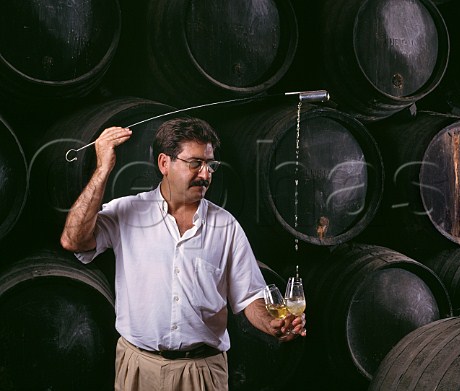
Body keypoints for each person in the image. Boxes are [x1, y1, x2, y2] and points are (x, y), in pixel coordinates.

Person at [60, 117, 306, 391]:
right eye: (195, 163)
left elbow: (250, 297)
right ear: (164, 163)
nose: (205, 174)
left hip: (201, 373)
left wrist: (271, 323)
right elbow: (74, 240)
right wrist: (103, 169)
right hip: (139, 368)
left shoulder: (225, 226)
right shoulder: (127, 212)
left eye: (209, 164)